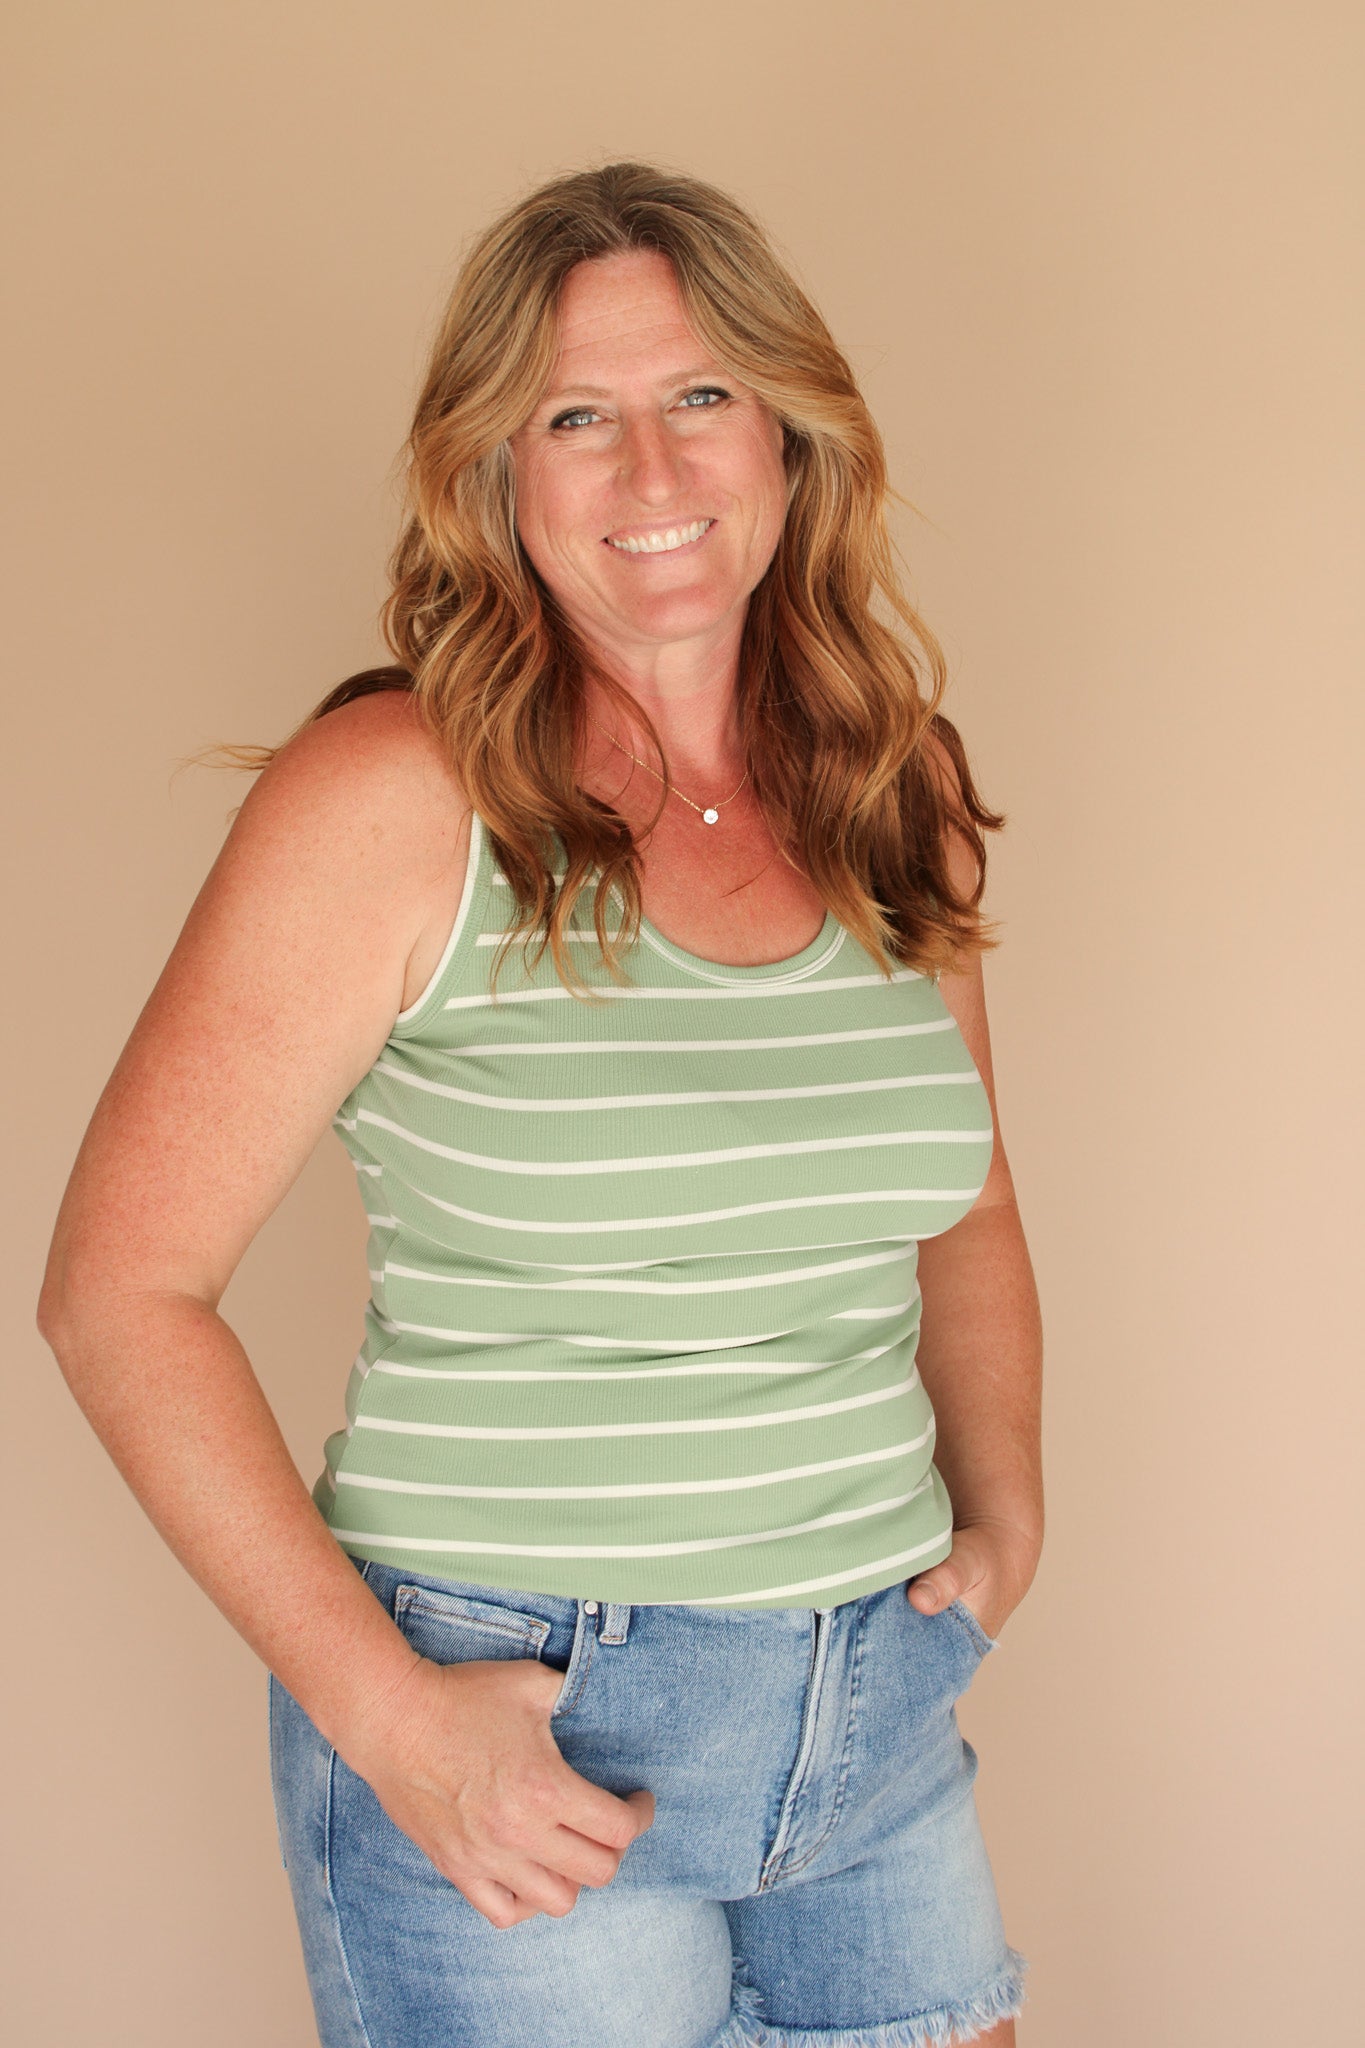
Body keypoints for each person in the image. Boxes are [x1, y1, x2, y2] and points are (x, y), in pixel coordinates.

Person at [37, 161, 1044, 2048]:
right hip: (522, 1732)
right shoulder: (395, 797)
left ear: (787, 432)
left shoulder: (890, 782)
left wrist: (1001, 1522)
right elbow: (119, 1295)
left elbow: (965, 1202)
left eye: (700, 395)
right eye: (576, 416)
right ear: (493, 471)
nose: (652, 471)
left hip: (872, 1719)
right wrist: (392, 1720)